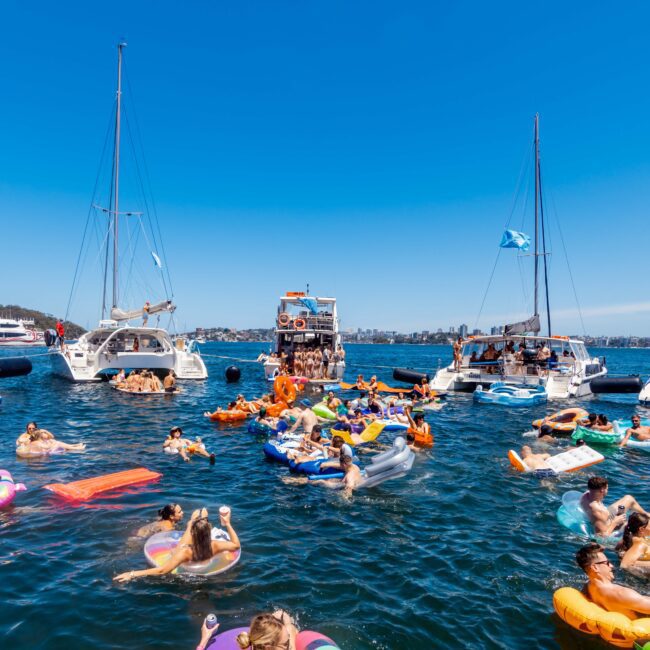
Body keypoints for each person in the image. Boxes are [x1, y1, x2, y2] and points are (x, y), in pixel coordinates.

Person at [114, 507, 240, 582]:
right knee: (187, 541)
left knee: (179, 545)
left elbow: (162, 571)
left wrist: (131, 574)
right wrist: (227, 523)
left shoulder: (185, 552)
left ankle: (192, 522)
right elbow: (236, 546)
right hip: (207, 565)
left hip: (188, 566)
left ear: (192, 534)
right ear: (209, 532)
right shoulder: (216, 545)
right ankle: (198, 523)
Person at [575, 542, 650, 617]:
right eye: (607, 563)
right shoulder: (621, 594)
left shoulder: (588, 588)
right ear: (595, 568)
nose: (611, 565)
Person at [580, 476, 649, 537]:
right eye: (607, 488)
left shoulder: (586, 495)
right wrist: (615, 522)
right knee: (625, 523)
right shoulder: (598, 511)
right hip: (608, 523)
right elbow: (602, 536)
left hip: (606, 516)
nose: (607, 491)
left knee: (629, 498)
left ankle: (646, 514)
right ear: (602, 490)